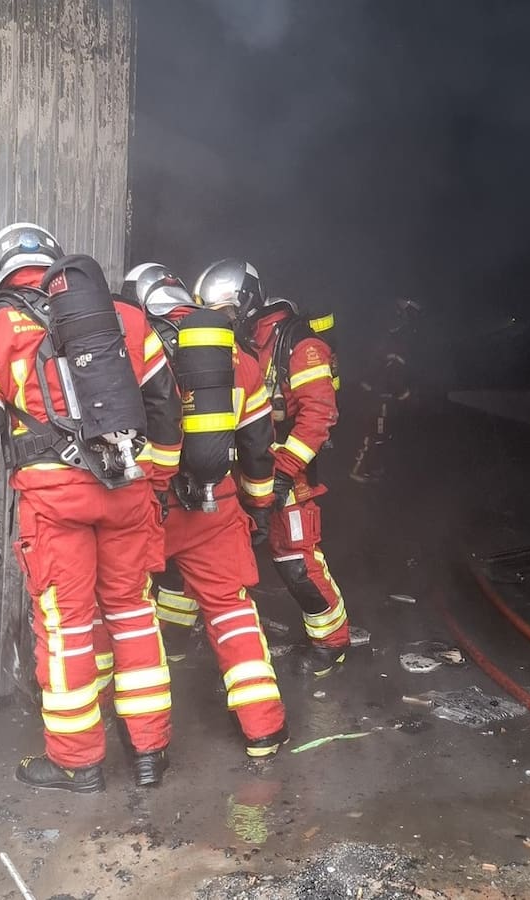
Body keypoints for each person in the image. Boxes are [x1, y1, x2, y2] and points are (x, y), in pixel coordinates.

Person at [0, 224, 183, 793]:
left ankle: (78, 762)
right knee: (133, 615)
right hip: (127, 492)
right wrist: (156, 481)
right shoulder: (126, 317)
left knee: (68, 628)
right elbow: (166, 406)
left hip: (55, 504)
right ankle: (149, 753)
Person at [120, 263, 289, 758]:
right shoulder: (239, 357)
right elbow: (258, 446)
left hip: (148, 504)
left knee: (126, 611)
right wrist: (260, 505)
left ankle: (137, 738)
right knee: (231, 611)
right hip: (217, 504)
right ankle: (263, 730)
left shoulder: (128, 347)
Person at [196, 259, 350, 677]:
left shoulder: (299, 345)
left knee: (296, 562)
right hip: (241, 473)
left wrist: (282, 472)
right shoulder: (240, 342)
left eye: (225, 311)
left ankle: (331, 643)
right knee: (212, 555)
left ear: (246, 301)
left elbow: (318, 416)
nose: (221, 320)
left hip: (288, 479)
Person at [350, 297, 423, 484]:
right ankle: (359, 470)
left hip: (379, 395)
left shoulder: (390, 336)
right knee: (373, 433)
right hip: (377, 396)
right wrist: (405, 395)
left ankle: (373, 467)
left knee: (380, 434)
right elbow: (391, 373)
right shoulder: (392, 340)